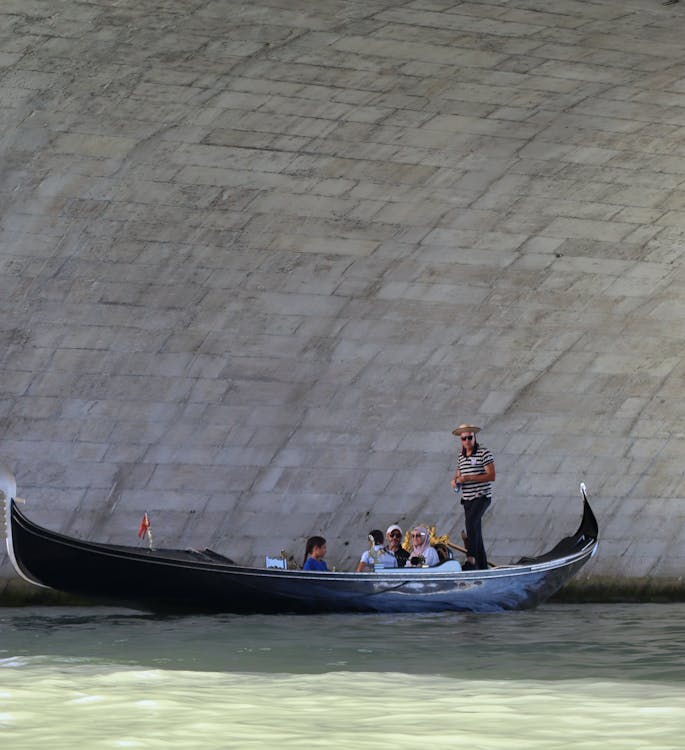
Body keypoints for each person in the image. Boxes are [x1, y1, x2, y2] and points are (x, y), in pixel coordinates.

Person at [450, 423, 495, 570]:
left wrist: (469, 478)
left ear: (475, 437)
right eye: (464, 439)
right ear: (461, 440)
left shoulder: (484, 452)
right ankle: (482, 567)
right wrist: (455, 481)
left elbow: (491, 475)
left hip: (482, 496)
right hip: (467, 499)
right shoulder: (460, 457)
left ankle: (471, 558)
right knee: (475, 529)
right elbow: (458, 475)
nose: (467, 441)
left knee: (471, 522)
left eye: (470, 437)